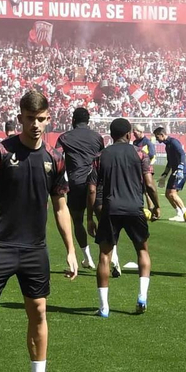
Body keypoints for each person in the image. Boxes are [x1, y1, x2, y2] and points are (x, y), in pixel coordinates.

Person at [0, 89, 77, 372]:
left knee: (38, 311)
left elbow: (61, 206)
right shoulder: (0, 153)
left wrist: (70, 249)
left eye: (41, 119)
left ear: (49, 119)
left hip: (35, 248)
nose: (35, 125)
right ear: (20, 118)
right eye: (30, 118)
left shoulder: (55, 158)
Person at [87, 117, 161, 317]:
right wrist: (156, 206)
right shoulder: (140, 154)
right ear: (129, 134)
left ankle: (104, 307)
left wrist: (90, 218)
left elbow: (92, 190)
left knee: (104, 256)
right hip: (135, 209)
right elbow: (149, 184)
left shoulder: (100, 156)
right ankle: (142, 296)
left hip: (110, 209)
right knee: (142, 250)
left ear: (111, 135)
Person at [58, 106, 107, 271]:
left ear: (73, 120)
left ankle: (87, 258)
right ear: (88, 121)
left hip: (76, 183)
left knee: (77, 220)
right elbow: (103, 158)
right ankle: (113, 259)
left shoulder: (65, 137)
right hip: (96, 182)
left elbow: (56, 156)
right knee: (103, 221)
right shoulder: (97, 137)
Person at [155, 125, 186, 221]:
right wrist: (165, 174)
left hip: (180, 172)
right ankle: (179, 213)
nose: (157, 139)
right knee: (167, 194)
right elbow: (170, 162)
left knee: (172, 194)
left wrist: (181, 167)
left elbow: (182, 154)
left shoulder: (174, 142)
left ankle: (185, 213)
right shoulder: (167, 146)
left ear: (162, 135)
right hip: (174, 171)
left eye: (157, 137)